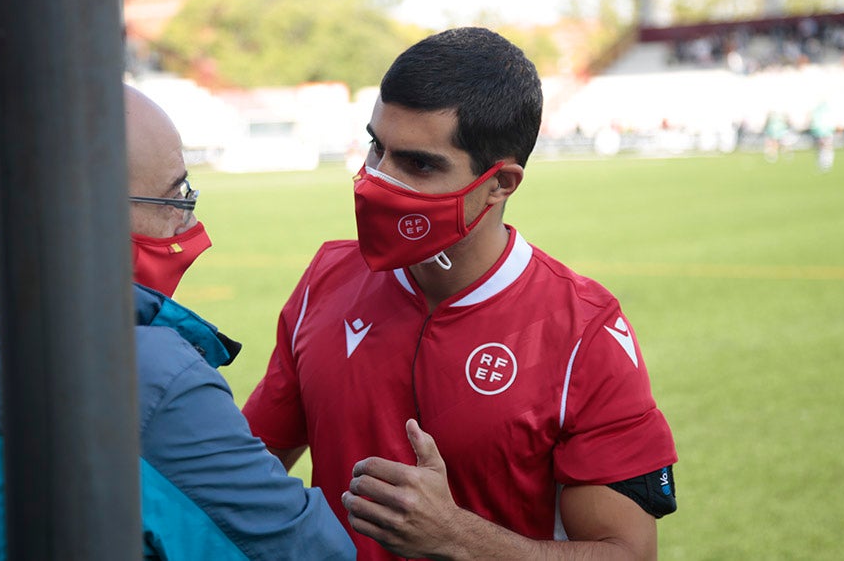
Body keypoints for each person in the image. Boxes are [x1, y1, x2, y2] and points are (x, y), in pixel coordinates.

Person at [242, 28, 678, 560]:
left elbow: (629, 554)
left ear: (502, 184)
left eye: (419, 165)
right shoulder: (326, 278)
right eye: (377, 148)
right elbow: (245, 476)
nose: (378, 180)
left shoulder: (584, 331)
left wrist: (457, 538)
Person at [0, 85, 355, 560]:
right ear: (89, 217)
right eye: (178, 197)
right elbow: (308, 551)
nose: (187, 225)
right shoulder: (147, 380)